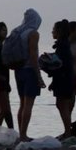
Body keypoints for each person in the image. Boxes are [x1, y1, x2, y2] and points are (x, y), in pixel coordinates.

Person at [13, 8, 45, 142]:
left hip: (18, 70)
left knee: (22, 103)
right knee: (28, 105)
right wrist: (39, 76)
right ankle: (23, 135)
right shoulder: (33, 33)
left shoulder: (18, 31)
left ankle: (21, 133)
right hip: (29, 70)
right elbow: (33, 55)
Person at [44, 20, 74, 139]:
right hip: (64, 79)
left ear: (59, 31)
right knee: (61, 105)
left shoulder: (62, 45)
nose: (52, 32)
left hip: (64, 80)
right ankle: (67, 131)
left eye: (54, 29)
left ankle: (68, 132)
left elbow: (60, 65)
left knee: (63, 105)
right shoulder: (64, 44)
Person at [0, 21, 14, 129]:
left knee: (1, 109)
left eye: (6, 30)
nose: (5, 32)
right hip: (0, 80)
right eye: (3, 30)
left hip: (4, 79)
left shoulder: (2, 45)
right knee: (4, 109)